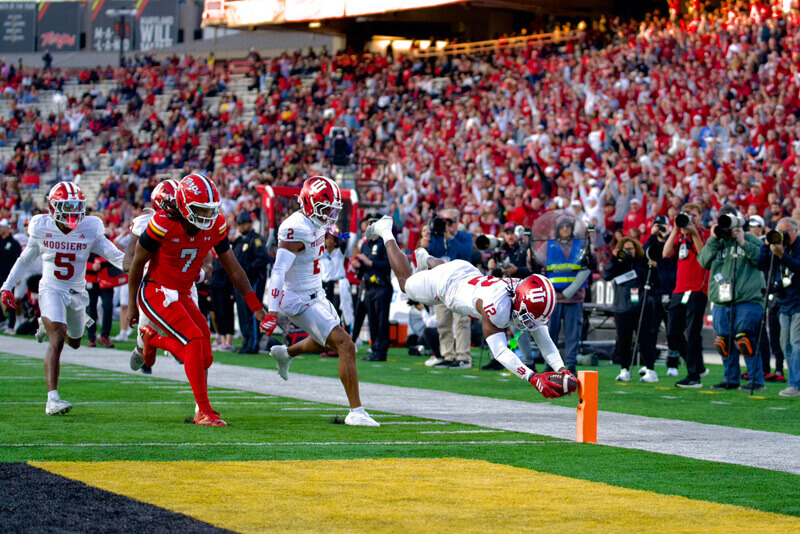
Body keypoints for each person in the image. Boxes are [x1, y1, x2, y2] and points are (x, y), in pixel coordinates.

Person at [365, 215, 575, 398]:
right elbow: (501, 351)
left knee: (442, 269)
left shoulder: (524, 294)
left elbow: (543, 338)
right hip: (445, 285)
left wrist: (562, 368)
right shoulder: (497, 306)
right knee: (405, 284)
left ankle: (426, 258)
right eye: (529, 317)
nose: (530, 324)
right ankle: (386, 232)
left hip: (465, 272)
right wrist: (532, 377)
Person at [127, 173, 268, 427]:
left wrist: (256, 307)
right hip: (156, 290)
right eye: (200, 210)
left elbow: (234, 268)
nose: (206, 217)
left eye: (210, 210)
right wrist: (131, 307)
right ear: (182, 206)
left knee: (205, 354)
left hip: (182, 291)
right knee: (192, 337)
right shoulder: (162, 223)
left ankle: (153, 340)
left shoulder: (215, 225)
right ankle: (202, 410)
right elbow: (136, 264)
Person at [261, 176, 379, 427]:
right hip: (299, 299)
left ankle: (286, 353)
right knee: (346, 345)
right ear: (308, 203)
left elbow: (337, 233)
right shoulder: (294, 228)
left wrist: (359, 234)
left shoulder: (316, 222)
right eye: (326, 209)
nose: (330, 215)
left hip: (317, 293)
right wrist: (272, 312)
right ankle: (356, 411)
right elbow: (279, 271)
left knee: (331, 343)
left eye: (333, 210)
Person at [0, 182, 125, 415]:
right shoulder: (41, 226)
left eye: (76, 207)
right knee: (57, 337)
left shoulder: (90, 227)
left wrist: (144, 268)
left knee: (74, 342)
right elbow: (25, 260)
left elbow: (117, 257)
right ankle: (52, 399)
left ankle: (43, 323)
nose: (72, 213)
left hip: (77, 293)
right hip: (51, 289)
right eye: (66, 207)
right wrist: (6, 287)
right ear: (52, 207)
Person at [698, 206, 766, 390]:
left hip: (748, 299)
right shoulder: (717, 241)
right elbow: (702, 262)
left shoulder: (750, 238)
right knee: (723, 342)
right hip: (721, 299)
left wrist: (743, 241)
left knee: (745, 340)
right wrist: (712, 238)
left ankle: (756, 381)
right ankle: (731, 379)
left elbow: (763, 261)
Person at [124, 179, 187, 375]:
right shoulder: (146, 222)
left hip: (182, 282)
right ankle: (143, 349)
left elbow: (207, 258)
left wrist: (203, 271)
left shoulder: (190, 220)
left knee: (191, 334)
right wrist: (141, 270)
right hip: (154, 283)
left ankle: (176, 347)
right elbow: (129, 260)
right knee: (146, 342)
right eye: (173, 203)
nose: (178, 207)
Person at [663, 203, 710, 388]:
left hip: (698, 288)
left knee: (692, 332)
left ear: (700, 217)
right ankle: (697, 366)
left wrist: (694, 232)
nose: (690, 218)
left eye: (694, 215)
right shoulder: (680, 235)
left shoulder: (704, 233)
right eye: (687, 214)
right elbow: (666, 253)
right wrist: (675, 229)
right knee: (672, 333)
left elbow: (704, 255)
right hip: (679, 289)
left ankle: (693, 376)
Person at [543, 216, 596, 375]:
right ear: (558, 229)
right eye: (562, 226)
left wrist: (591, 252)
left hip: (574, 297)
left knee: (572, 333)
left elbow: (594, 265)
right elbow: (535, 263)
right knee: (549, 334)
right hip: (553, 297)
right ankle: (550, 363)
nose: (565, 229)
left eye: (568, 226)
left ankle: (571, 364)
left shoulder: (582, 245)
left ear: (572, 229)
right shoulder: (548, 246)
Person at [603, 237, 659, 382]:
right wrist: (613, 258)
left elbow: (654, 280)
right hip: (622, 307)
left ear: (636, 249)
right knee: (623, 340)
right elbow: (606, 275)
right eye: (625, 249)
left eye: (631, 249)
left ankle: (650, 369)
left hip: (641, 306)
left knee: (644, 338)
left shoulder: (642, 263)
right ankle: (624, 369)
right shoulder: (618, 264)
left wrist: (652, 266)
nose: (628, 252)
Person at [426, 209, 475, 369]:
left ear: (456, 222)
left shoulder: (465, 237)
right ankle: (448, 355)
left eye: (450, 222)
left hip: (461, 286)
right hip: (441, 286)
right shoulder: (436, 237)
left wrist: (450, 238)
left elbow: (465, 253)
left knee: (461, 321)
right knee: (443, 322)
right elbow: (430, 255)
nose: (446, 225)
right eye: (444, 222)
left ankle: (463, 356)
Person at [758, 218, 800, 397]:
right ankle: (795, 381)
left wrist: (783, 255)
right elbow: (761, 265)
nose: (783, 235)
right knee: (786, 346)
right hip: (784, 303)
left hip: (799, 302)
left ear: (796, 231)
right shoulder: (776, 247)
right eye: (780, 231)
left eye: (787, 231)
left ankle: (795, 384)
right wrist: (766, 246)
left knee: (796, 344)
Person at [644, 216, 679, 377]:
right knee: (651, 331)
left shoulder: (671, 243)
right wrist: (652, 235)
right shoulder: (651, 242)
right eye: (657, 226)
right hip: (654, 292)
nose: (660, 229)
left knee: (672, 331)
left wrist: (667, 236)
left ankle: (673, 364)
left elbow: (672, 257)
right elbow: (642, 254)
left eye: (662, 226)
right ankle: (649, 364)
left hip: (670, 291)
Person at [232, 211, 269, 354]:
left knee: (252, 312)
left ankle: (253, 343)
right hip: (240, 283)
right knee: (242, 313)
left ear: (250, 223)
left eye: (244, 224)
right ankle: (247, 340)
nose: (242, 227)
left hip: (253, 281)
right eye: (240, 224)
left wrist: (247, 269)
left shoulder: (256, 240)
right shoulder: (239, 241)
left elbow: (262, 259)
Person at [320, 225, 354, 354]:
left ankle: (340, 344)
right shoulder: (320, 252)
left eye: (330, 239)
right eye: (326, 238)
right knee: (324, 316)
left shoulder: (340, 252)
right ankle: (328, 344)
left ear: (335, 241)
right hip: (324, 286)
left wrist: (338, 233)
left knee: (337, 315)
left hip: (338, 286)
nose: (327, 241)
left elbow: (351, 237)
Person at [85, 252, 116, 348]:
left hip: (106, 280)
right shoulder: (85, 239)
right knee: (90, 310)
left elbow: (115, 255)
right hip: (90, 280)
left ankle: (105, 336)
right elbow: (78, 258)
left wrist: (101, 261)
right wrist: (91, 266)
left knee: (108, 307)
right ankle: (91, 337)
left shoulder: (106, 239)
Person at [0, 218, 21, 334]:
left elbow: (18, 261)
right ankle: (2, 320)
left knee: (9, 299)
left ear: (7, 228)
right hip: (0, 273)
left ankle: (11, 326)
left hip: (9, 276)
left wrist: (17, 277)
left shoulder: (14, 243)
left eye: (2, 226)